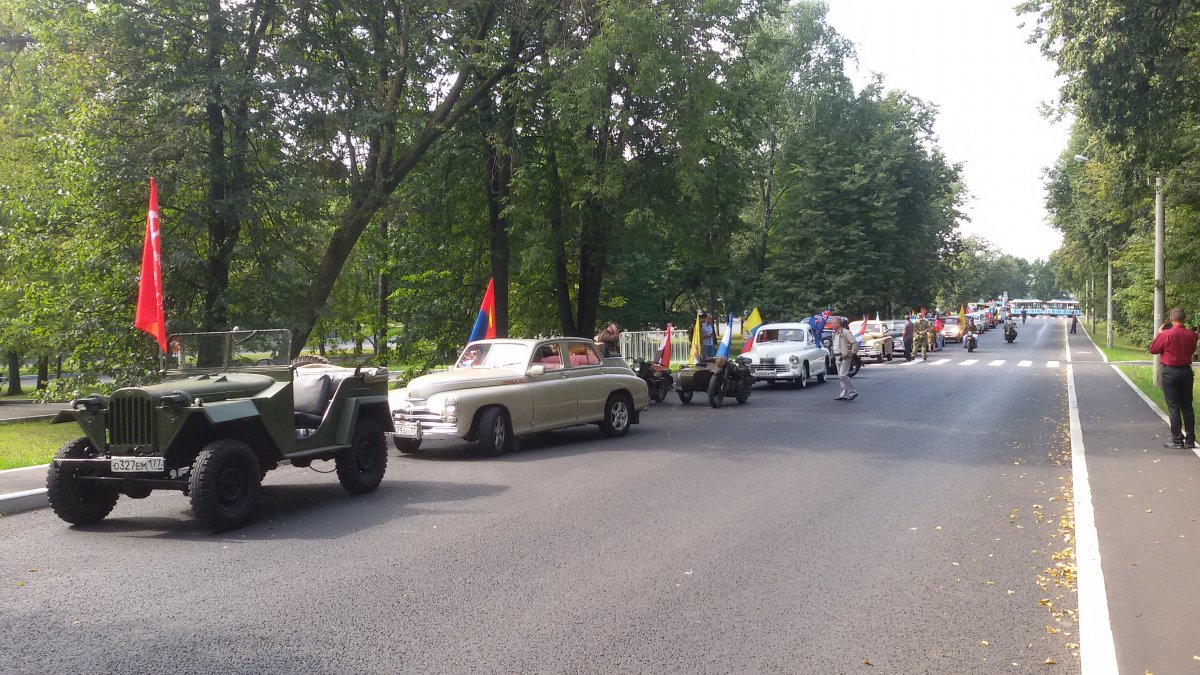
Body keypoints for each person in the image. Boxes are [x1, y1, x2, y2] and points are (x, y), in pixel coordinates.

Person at [1149, 307, 1198, 449]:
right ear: (1184, 318)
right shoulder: (1192, 335)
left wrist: (1159, 334)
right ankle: (1190, 440)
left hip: (1170, 372)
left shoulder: (1166, 334)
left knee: (1173, 406)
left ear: (1171, 319)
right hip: (1186, 371)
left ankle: (1177, 440)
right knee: (1187, 406)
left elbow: (1153, 349)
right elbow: (1191, 350)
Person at [828, 317, 858, 401]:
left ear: (838, 324)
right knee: (840, 376)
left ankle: (852, 392)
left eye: (833, 323)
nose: (832, 325)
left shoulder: (846, 332)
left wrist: (852, 352)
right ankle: (843, 394)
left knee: (843, 375)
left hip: (845, 356)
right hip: (837, 356)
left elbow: (854, 342)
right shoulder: (834, 333)